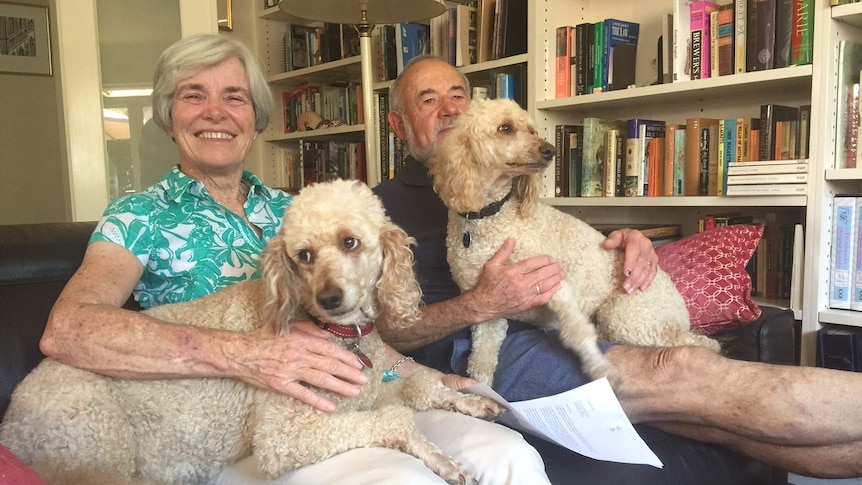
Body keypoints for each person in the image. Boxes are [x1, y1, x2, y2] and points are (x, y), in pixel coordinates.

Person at [39, 35, 550, 485]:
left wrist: (431, 380)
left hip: (330, 400)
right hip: (231, 431)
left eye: (233, 97)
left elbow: (358, 336)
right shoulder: (138, 215)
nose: (215, 112)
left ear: (255, 118)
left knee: (506, 453)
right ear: (168, 115)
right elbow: (68, 330)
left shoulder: (296, 209)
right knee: (399, 477)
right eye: (194, 95)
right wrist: (245, 354)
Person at [373, 55, 862, 480]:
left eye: (458, 95)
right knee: (682, 369)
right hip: (474, 354)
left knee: (708, 417)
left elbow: (570, 245)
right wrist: (479, 304)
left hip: (553, 325)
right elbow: (379, 332)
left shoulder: (510, 182)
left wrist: (633, 242)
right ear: (398, 125)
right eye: (428, 100)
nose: (451, 109)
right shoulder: (375, 210)